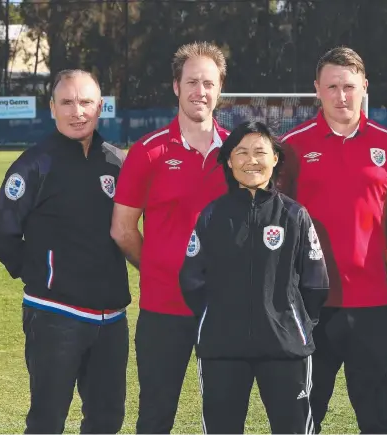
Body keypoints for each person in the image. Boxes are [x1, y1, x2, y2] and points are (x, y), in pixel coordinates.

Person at [279, 47, 387, 434]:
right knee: (301, 419)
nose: (342, 96)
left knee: (379, 420)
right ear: (317, 89)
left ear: (364, 87)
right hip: (309, 307)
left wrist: (365, 254)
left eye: (350, 86)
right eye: (333, 86)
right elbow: (282, 217)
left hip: (372, 306)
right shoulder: (292, 146)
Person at [0, 69, 130, 434]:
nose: (77, 110)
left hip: (111, 318)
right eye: (67, 102)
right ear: (52, 107)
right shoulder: (35, 164)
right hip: (55, 315)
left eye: (85, 102)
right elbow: (2, 232)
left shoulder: (117, 162)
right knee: (47, 421)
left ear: (101, 107)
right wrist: (42, 275)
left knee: (106, 420)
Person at [110, 41, 230, 433]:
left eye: (209, 83)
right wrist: (161, 267)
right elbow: (123, 229)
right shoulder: (147, 153)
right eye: (192, 82)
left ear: (220, 88)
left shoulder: (239, 152)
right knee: (156, 416)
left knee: (225, 417)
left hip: (225, 308)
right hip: (163, 309)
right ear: (176, 86)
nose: (201, 91)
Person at [179, 121, 329, 434]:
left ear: (275, 158)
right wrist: (216, 318)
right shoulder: (212, 215)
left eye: (260, 152)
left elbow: (315, 282)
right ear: (229, 160)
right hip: (223, 348)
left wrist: (292, 322)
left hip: (285, 347)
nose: (251, 160)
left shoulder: (294, 215)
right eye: (242, 152)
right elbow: (192, 279)